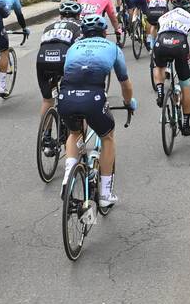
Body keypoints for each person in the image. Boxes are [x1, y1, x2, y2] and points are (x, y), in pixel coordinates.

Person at [58, 14, 137, 209]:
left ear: (83, 33)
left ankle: (69, 175)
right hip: (93, 98)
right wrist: (129, 102)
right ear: (104, 32)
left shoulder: (73, 48)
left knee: (75, 132)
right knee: (107, 136)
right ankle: (105, 194)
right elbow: (124, 83)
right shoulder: (112, 48)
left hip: (66, 96)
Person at [151, 0, 190, 134]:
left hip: (161, 44)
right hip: (179, 46)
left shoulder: (164, 17)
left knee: (159, 67)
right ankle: (186, 125)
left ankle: (160, 90)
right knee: (185, 84)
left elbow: (154, 33)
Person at [36, 0, 83, 122]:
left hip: (42, 60)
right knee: (74, 92)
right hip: (64, 61)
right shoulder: (80, 26)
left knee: (47, 99)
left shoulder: (49, 27)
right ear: (78, 15)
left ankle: (45, 136)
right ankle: (73, 129)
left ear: (60, 15)